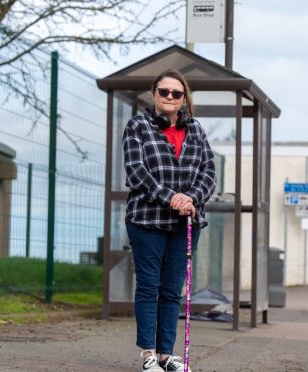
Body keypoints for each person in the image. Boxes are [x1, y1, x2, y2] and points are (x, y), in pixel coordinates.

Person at [122, 69, 217, 372]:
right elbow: (136, 171)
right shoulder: (137, 126)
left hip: (185, 222)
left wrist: (191, 199)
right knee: (149, 286)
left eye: (177, 93)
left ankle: (166, 355)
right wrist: (170, 197)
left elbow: (208, 172)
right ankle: (149, 354)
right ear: (154, 94)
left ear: (184, 98)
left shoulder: (197, 131)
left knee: (173, 289)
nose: (170, 98)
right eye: (165, 92)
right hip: (147, 219)